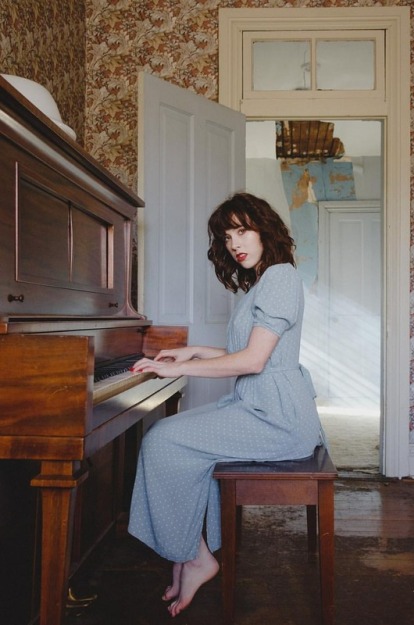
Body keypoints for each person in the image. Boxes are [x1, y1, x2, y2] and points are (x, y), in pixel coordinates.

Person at [128, 192, 324, 617]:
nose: (235, 243)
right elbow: (254, 353)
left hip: (277, 419)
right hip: (259, 405)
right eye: (227, 235)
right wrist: (193, 352)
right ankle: (187, 554)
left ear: (264, 229)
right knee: (170, 440)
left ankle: (195, 557)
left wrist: (173, 372)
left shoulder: (280, 278)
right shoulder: (265, 280)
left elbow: (253, 361)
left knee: (162, 439)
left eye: (243, 229)